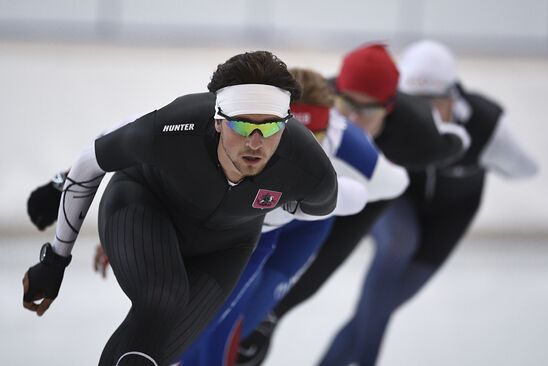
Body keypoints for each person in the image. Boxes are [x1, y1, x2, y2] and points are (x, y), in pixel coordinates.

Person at [21, 50, 339, 366]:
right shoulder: (179, 124)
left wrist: (262, 210)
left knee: (163, 350)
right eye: (242, 127)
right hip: (144, 204)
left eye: (269, 128)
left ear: (285, 124)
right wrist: (56, 259)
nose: (255, 142)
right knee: (163, 301)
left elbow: (318, 208)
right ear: (217, 121)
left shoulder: (310, 167)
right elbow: (93, 158)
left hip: (228, 244)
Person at [236, 43, 472, 366]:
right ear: (336, 95)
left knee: (331, 250)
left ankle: (269, 318)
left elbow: (455, 143)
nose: (356, 118)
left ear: (388, 108)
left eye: (369, 110)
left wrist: (463, 132)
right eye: (348, 105)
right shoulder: (316, 99)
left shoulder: (418, 135)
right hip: (308, 188)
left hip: (367, 195)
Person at [315, 40, 539, 366]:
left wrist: (489, 157)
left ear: (455, 98)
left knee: (375, 311)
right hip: (398, 203)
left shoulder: (486, 125)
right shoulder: (389, 116)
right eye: (412, 103)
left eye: (433, 103)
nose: (423, 116)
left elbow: (526, 169)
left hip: (448, 219)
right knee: (400, 243)